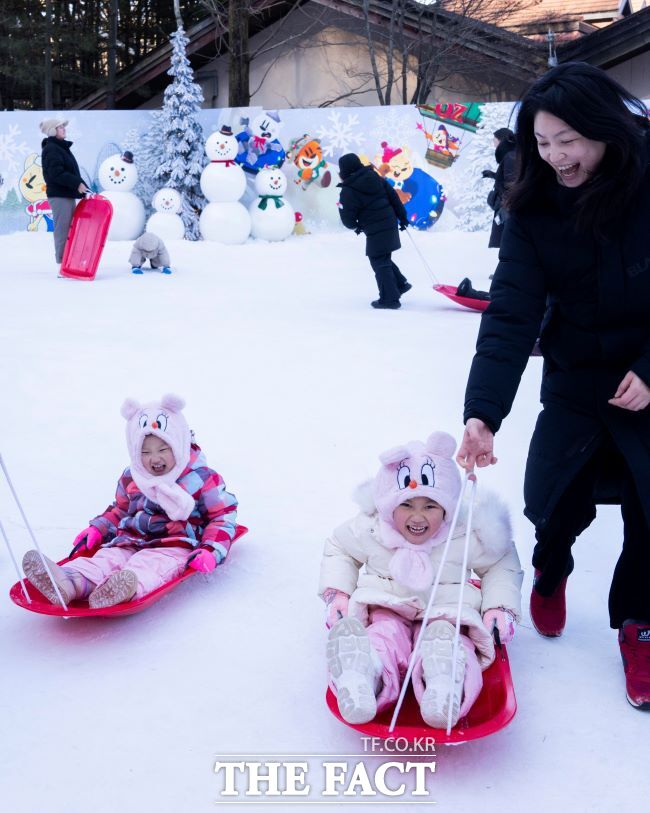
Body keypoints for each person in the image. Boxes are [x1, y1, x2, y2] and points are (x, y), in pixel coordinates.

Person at [457, 62, 650, 710]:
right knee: (554, 494)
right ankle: (551, 564)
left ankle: (641, 624)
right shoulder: (535, 207)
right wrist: (483, 412)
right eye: (542, 142)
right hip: (577, 373)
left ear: (605, 131)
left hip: (648, 372)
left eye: (568, 140)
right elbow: (511, 313)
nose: (555, 155)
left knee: (649, 507)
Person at [319, 431, 522, 727]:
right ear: (388, 505)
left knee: (452, 643)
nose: (417, 517)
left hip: (447, 613)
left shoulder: (463, 533)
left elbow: (501, 562)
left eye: (430, 506)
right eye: (406, 505)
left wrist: (499, 607)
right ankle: (366, 673)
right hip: (388, 605)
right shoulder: (373, 528)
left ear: (447, 508)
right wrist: (338, 592)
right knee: (383, 636)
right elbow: (340, 548)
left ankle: (445, 683)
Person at [22, 394, 238, 609]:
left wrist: (211, 550)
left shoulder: (202, 478)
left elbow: (222, 516)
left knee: (150, 567)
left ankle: (123, 589)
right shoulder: (133, 476)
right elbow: (120, 510)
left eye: (163, 449)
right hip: (129, 540)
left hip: (173, 545)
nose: (154, 458)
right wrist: (98, 528)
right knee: (107, 559)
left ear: (179, 444)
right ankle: (70, 582)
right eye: (145, 452)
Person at [337, 153, 411, 310]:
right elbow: (393, 197)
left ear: (343, 171)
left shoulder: (348, 190)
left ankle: (390, 299)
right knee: (381, 256)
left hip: (374, 227)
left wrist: (356, 226)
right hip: (389, 221)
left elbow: (347, 218)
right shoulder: (374, 176)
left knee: (378, 260)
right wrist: (402, 217)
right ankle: (399, 284)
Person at [40, 118, 89, 271]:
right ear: (52, 131)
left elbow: (69, 172)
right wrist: (77, 184)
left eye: (63, 127)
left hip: (66, 194)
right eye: (60, 127)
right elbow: (56, 173)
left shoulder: (60, 147)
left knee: (69, 229)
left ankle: (69, 262)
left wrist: (82, 185)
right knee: (63, 230)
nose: (64, 129)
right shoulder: (52, 149)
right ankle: (62, 264)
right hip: (59, 196)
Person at [482, 127, 517, 250]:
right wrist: (493, 175)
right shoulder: (511, 155)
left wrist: (505, 208)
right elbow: (508, 177)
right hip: (507, 210)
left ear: (502, 140)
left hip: (508, 212)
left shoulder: (511, 156)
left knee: (508, 248)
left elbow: (512, 185)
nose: (493, 144)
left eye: (495, 140)